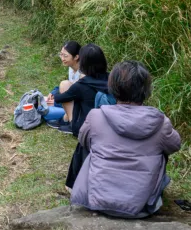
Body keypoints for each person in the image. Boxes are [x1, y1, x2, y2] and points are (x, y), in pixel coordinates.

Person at [71, 60, 181, 218]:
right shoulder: (160, 122)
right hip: (141, 208)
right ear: (146, 89)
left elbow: (83, 140)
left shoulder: (96, 116)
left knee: (92, 144)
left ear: (113, 87)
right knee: (162, 150)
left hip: (99, 203)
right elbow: (175, 145)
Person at [56, 44, 110, 189]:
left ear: (82, 63)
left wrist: (53, 95)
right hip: (109, 126)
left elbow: (60, 98)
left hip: (86, 129)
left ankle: (70, 121)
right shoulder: (112, 80)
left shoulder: (82, 85)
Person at [43, 41, 82, 130]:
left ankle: (71, 121)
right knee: (46, 103)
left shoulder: (83, 72)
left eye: (65, 56)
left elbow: (75, 91)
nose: (62, 58)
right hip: (73, 97)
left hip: (80, 102)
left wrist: (57, 100)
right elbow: (71, 85)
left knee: (50, 106)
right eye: (61, 54)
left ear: (76, 57)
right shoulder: (71, 68)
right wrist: (53, 93)